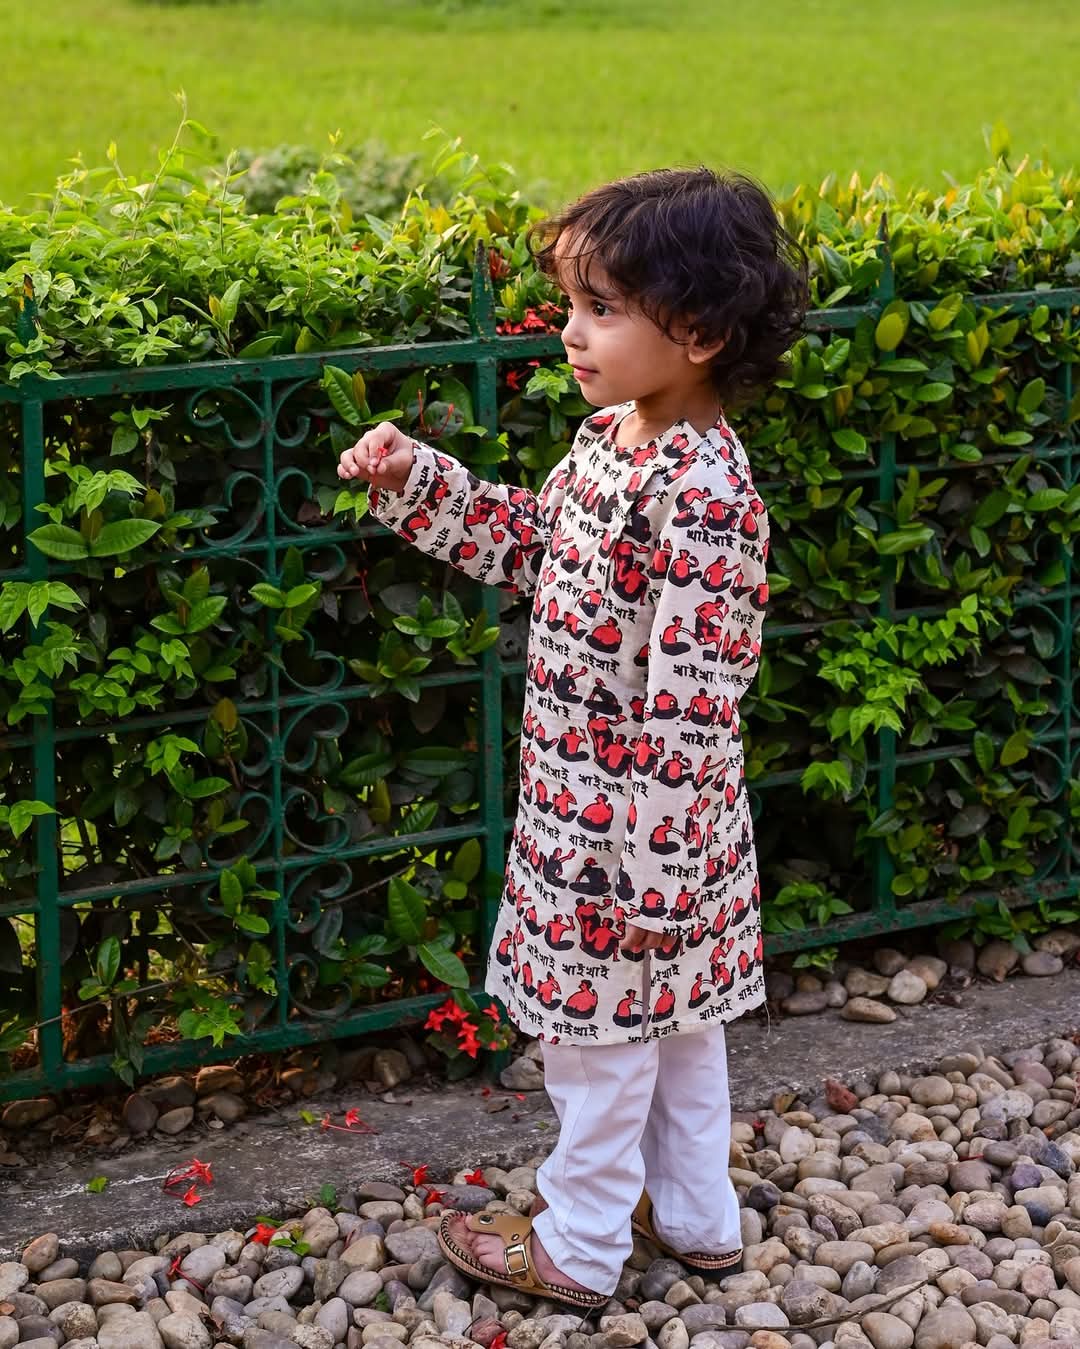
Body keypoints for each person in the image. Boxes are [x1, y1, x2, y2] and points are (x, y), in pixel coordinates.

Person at [337, 166, 807, 1309]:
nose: (571, 331)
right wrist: (415, 480)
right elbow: (530, 544)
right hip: (604, 816)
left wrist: (655, 878)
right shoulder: (609, 442)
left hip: (632, 838)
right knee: (680, 1027)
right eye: (572, 304)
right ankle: (697, 1216)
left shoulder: (706, 498)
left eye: (602, 308)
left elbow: (692, 704)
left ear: (697, 333)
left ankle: (579, 1244)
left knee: (596, 1045)